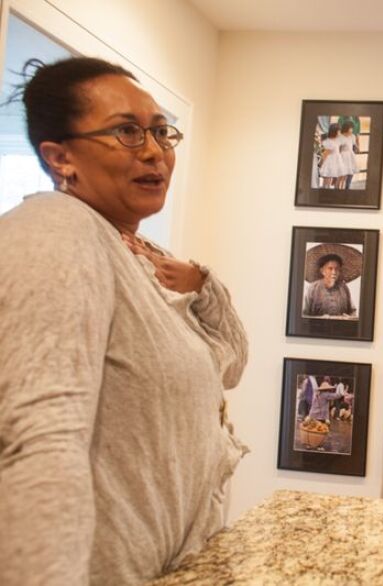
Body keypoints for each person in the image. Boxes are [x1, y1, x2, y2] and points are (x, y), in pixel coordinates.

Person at [0, 57, 248, 585]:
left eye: (160, 131)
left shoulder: (141, 252)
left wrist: (204, 283)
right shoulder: (55, 230)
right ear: (60, 156)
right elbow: (40, 441)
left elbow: (228, 365)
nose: (156, 151)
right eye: (127, 132)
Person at [302, 251, 357, 318]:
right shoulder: (312, 288)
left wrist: (349, 317)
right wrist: (320, 318)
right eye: (330, 268)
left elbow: (353, 312)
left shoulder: (344, 288)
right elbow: (303, 315)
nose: (334, 272)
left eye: (337, 269)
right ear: (322, 271)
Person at [318, 123, 344, 189]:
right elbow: (325, 154)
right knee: (327, 179)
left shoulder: (337, 140)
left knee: (334, 177)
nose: (340, 133)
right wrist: (322, 163)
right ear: (334, 132)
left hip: (336, 161)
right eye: (339, 131)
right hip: (330, 162)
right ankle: (325, 190)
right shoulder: (329, 142)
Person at [337, 120, 359, 189]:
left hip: (350, 157)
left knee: (348, 175)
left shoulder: (352, 136)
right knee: (341, 176)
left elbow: (355, 146)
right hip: (343, 157)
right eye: (351, 128)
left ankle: (345, 189)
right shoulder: (340, 137)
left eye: (352, 128)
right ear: (346, 128)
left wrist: (357, 146)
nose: (352, 129)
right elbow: (338, 149)